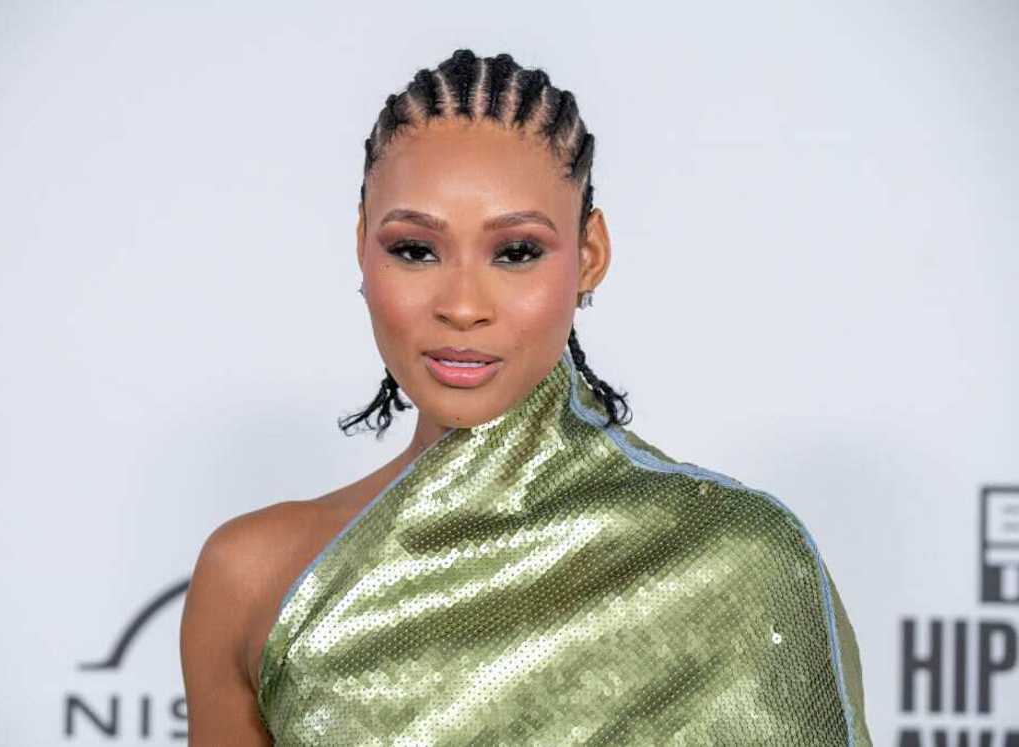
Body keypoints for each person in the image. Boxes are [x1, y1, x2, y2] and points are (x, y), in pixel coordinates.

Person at [180, 48, 872, 746]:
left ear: (589, 255)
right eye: (415, 249)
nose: (461, 305)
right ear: (363, 244)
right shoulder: (250, 578)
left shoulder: (739, 563)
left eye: (516, 252)